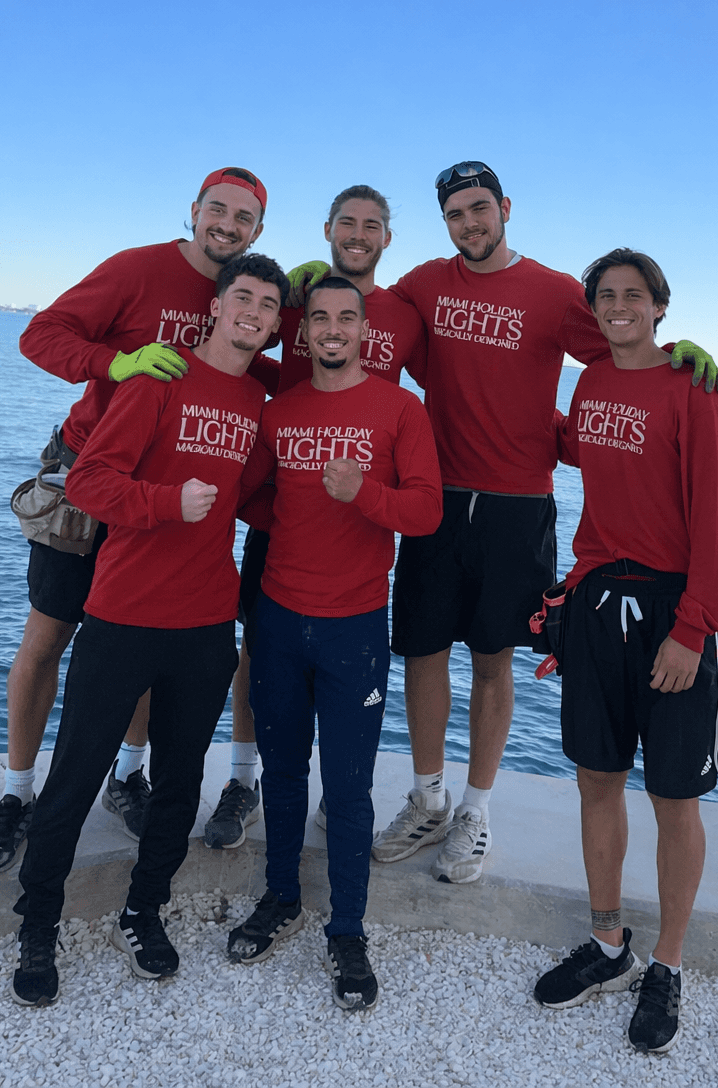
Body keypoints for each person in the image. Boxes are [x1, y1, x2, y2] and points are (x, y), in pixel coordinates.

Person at [290, 160, 718, 886]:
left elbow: (625, 346)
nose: (471, 223)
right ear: (445, 223)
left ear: (506, 209)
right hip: (435, 495)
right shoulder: (426, 283)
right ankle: (427, 797)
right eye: (457, 213)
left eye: (481, 209)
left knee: (493, 662)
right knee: (423, 653)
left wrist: (684, 357)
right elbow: (366, 307)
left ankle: (475, 811)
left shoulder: (556, 293)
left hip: (518, 506)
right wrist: (315, 277)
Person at [0, 168, 271, 878]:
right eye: (218, 211)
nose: (228, 226)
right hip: (90, 476)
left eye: (244, 218)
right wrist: (118, 360)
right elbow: (41, 336)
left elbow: (289, 341)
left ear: (258, 231)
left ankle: (127, 775)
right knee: (48, 637)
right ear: (195, 212)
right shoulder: (138, 270)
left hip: (171, 494)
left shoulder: (241, 294)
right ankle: (16, 795)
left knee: (146, 643)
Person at [9, 253, 286, 1007]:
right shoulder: (156, 379)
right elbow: (92, 479)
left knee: (179, 784)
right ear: (218, 308)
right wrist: (167, 501)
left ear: (272, 325)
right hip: (123, 614)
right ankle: (39, 923)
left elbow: (256, 497)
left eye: (268, 305)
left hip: (204, 624)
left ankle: (144, 911)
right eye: (244, 298)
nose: (254, 313)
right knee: (73, 778)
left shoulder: (260, 399)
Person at [532, 249, 718, 1057]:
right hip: (595, 604)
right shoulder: (590, 383)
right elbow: (578, 448)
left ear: (659, 307)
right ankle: (609, 942)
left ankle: (668, 965)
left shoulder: (696, 389)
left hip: (671, 610)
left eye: (633, 296)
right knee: (597, 780)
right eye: (606, 297)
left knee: (674, 799)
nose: (619, 307)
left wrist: (693, 628)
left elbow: (717, 520)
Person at [229, 275, 441, 1013]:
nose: (332, 328)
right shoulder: (278, 412)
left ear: (362, 332)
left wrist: (366, 497)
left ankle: (347, 930)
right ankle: (281, 898)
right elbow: (252, 495)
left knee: (349, 791)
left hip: (355, 629)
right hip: (281, 619)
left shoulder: (399, 408)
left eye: (345, 318)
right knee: (283, 774)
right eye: (319, 317)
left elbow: (426, 512)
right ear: (303, 332)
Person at [204, 184, 427, 849]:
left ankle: (342, 790)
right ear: (328, 229)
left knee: (345, 673)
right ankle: (246, 780)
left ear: (388, 237)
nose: (358, 234)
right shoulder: (297, 294)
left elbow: (452, 388)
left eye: (372, 225)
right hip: (290, 499)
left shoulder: (407, 313)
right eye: (347, 223)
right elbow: (251, 346)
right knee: (259, 646)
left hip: (357, 515)